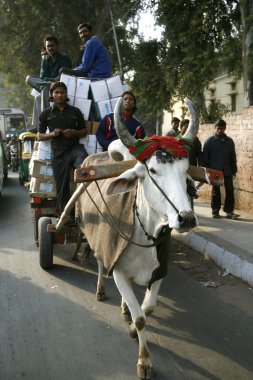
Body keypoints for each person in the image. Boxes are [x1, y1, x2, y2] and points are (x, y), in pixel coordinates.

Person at [38, 82, 88, 221]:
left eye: (62, 92)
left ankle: (87, 206)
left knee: (85, 168)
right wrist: (52, 134)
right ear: (52, 95)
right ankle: (65, 215)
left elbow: (84, 131)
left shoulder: (75, 111)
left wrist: (74, 132)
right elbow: (40, 136)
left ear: (66, 95)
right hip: (58, 152)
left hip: (74, 149)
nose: (59, 95)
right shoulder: (45, 114)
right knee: (62, 186)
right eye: (56, 92)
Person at [26, 35, 72, 127]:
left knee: (43, 89)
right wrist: (53, 81)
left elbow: (65, 75)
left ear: (57, 45)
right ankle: (37, 124)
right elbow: (43, 77)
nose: (50, 48)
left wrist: (54, 82)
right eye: (48, 46)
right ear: (46, 47)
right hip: (49, 85)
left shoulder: (64, 58)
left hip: (61, 86)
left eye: (52, 45)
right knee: (29, 79)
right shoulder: (45, 60)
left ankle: (45, 120)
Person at [203, 119, 239, 219]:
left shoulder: (229, 141)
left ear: (225, 128)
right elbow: (205, 157)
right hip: (215, 171)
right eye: (218, 128)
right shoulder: (209, 141)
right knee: (216, 191)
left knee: (230, 190)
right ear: (215, 128)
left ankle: (229, 211)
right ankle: (215, 212)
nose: (220, 130)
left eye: (222, 128)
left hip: (227, 170)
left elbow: (233, 156)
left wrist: (234, 170)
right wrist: (206, 170)